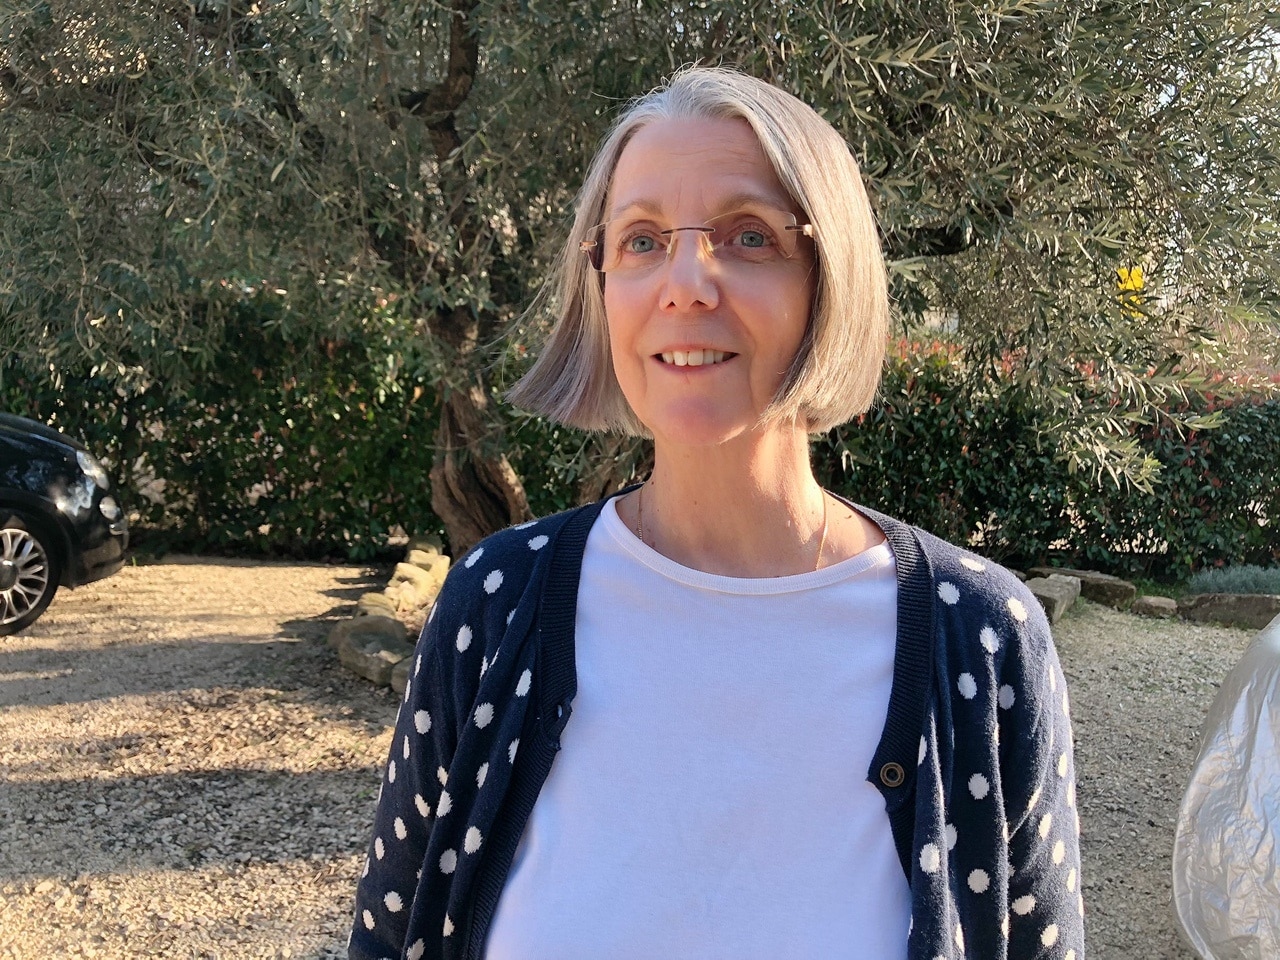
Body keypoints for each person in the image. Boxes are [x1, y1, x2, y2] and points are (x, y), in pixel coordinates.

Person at [348, 66, 1084, 960]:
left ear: (830, 274)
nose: (687, 282)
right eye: (642, 239)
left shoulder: (981, 637)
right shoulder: (494, 604)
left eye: (747, 235)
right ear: (602, 283)